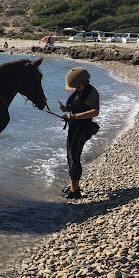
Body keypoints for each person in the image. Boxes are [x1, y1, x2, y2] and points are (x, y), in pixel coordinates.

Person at [59, 67, 100, 199]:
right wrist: (67, 109)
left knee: (74, 156)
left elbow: (95, 112)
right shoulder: (80, 91)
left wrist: (73, 116)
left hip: (82, 128)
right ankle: (73, 185)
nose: (74, 89)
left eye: (75, 87)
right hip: (74, 127)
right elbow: (77, 106)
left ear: (81, 84)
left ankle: (75, 191)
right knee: (70, 156)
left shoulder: (92, 93)